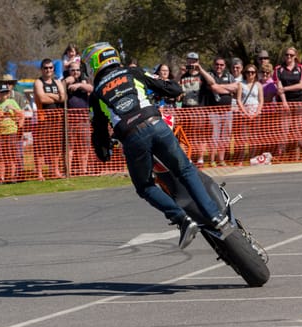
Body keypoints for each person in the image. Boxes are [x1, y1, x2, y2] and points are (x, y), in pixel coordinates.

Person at [81, 42, 230, 250]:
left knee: (145, 187)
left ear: (93, 65)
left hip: (132, 138)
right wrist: (170, 90)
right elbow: (172, 88)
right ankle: (216, 217)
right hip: (157, 126)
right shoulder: (133, 72)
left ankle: (182, 219)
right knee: (186, 170)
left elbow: (98, 135)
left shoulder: (96, 95)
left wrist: (105, 152)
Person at [178, 52, 216, 167]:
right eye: (189, 61)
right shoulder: (183, 76)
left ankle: (200, 158)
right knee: (186, 135)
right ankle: (188, 157)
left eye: (194, 61)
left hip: (199, 110)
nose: (191, 63)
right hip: (186, 110)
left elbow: (212, 82)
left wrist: (200, 69)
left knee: (200, 135)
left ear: (198, 61)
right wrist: (180, 73)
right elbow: (173, 84)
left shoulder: (201, 76)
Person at [33, 58, 67, 180]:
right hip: (43, 119)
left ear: (53, 69)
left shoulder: (57, 82)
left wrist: (51, 96)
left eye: (50, 68)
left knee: (55, 147)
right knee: (41, 148)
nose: (48, 70)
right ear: (41, 69)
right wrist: (56, 96)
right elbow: (42, 98)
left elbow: (63, 97)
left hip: (56, 119)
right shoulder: (38, 82)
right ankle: (39, 174)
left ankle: (55, 171)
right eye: (46, 68)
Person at [274, 47, 302, 159]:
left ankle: (296, 155)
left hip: (298, 102)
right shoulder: (278, 69)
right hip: (284, 103)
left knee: (297, 129)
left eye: (291, 55)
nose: (289, 57)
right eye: (287, 54)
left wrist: (285, 89)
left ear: (295, 56)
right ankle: (281, 155)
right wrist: (284, 102)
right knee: (284, 130)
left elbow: (301, 85)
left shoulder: (301, 68)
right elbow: (279, 87)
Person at [206, 56, 239, 167]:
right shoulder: (210, 75)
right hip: (214, 111)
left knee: (225, 136)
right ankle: (212, 160)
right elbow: (213, 88)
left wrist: (219, 87)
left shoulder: (229, 76)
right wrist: (226, 89)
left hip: (227, 111)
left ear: (224, 66)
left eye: (221, 65)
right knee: (214, 136)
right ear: (214, 65)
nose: (219, 67)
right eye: (217, 64)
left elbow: (235, 88)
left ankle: (221, 160)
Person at [63, 61, 93, 175]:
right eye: (73, 70)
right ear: (69, 71)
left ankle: (83, 170)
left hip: (83, 119)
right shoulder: (65, 80)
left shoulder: (84, 82)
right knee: (69, 146)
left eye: (77, 70)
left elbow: (91, 88)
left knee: (84, 146)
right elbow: (60, 88)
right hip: (70, 119)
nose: (75, 72)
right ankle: (68, 171)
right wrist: (66, 82)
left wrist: (79, 85)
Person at [0, 84, 24, 184]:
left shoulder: (12, 102)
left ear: (8, 93)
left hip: (11, 132)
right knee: (0, 156)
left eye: (6, 92)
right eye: (2, 92)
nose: (4, 94)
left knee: (11, 156)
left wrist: (13, 109)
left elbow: (21, 114)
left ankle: (12, 177)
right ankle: (1, 178)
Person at [234, 64, 264, 166]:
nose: (250, 74)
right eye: (248, 72)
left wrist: (256, 113)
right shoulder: (241, 84)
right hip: (244, 114)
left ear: (255, 74)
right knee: (243, 138)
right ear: (245, 73)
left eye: (252, 72)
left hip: (256, 114)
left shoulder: (258, 85)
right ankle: (241, 159)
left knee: (254, 137)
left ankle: (253, 158)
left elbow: (261, 101)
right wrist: (245, 112)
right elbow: (239, 100)